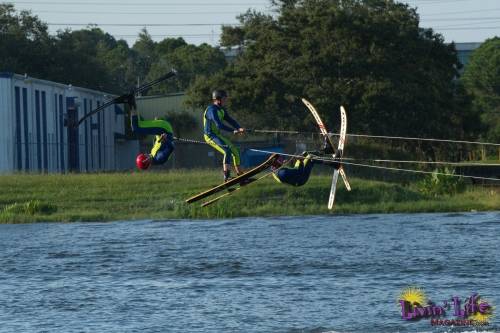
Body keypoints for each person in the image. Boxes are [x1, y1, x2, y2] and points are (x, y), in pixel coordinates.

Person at [204, 89, 245, 181]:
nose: (226, 100)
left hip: (217, 135)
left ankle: (240, 175)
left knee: (235, 151)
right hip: (210, 136)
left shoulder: (221, 110)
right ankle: (227, 176)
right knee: (227, 151)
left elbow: (230, 120)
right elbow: (219, 125)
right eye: (224, 98)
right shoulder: (211, 110)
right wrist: (233, 130)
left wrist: (239, 128)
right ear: (218, 99)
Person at [127, 94, 175, 170]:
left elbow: (157, 144)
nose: (146, 153)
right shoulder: (159, 158)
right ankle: (131, 101)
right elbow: (171, 147)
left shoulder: (153, 156)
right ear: (147, 160)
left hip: (161, 130)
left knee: (138, 126)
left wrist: (155, 126)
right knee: (136, 128)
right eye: (145, 156)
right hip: (164, 129)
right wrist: (166, 139)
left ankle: (131, 102)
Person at [271, 152, 339, 186]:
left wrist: (294, 160)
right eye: (281, 159)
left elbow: (292, 168)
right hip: (301, 178)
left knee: (304, 153)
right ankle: (334, 163)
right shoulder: (283, 173)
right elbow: (299, 171)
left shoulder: (275, 170)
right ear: (277, 163)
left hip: (297, 177)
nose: (283, 160)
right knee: (310, 157)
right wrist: (300, 161)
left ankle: (326, 150)